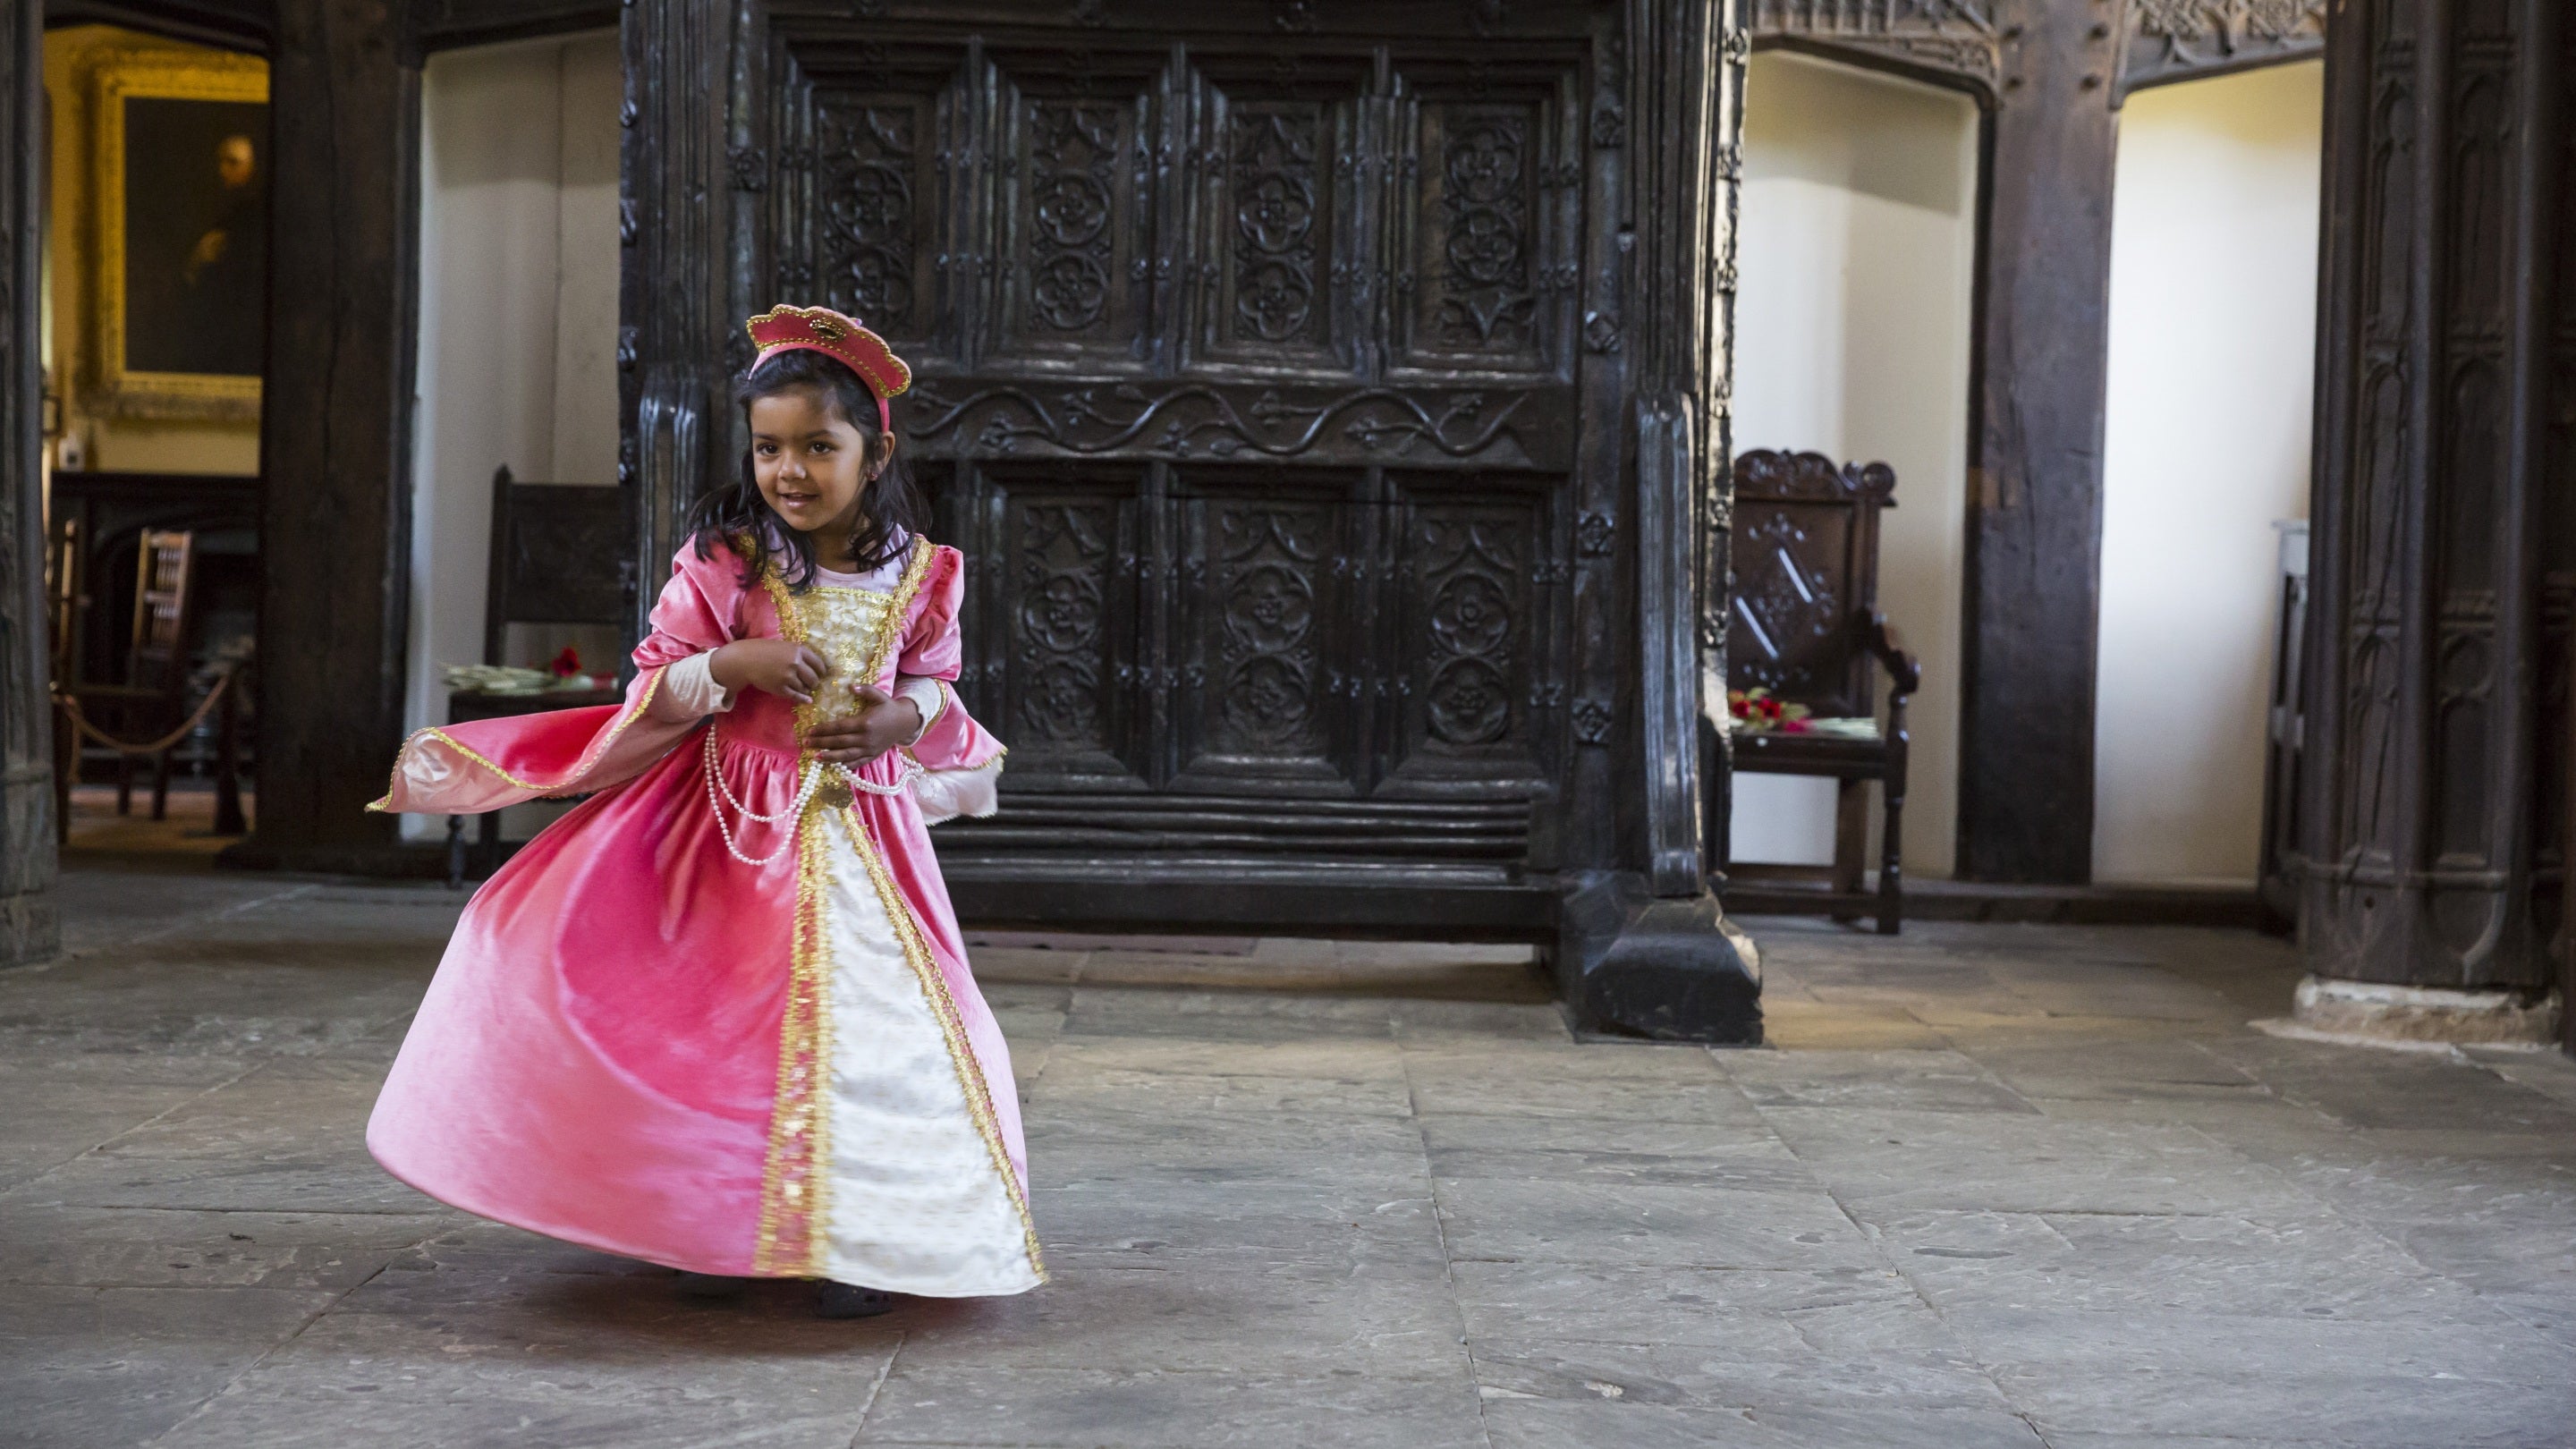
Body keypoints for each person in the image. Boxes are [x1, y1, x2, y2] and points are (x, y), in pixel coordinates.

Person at [367, 305, 1041, 1318]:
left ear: (877, 451)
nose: (793, 472)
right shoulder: (729, 560)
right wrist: (731, 663)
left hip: (861, 840)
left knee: (883, 1032)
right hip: (728, 833)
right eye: (771, 448)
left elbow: (940, 689)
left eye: (821, 447)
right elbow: (655, 677)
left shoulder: (921, 574)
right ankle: (709, 1227)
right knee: (718, 1033)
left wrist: (901, 716)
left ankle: (865, 1237)